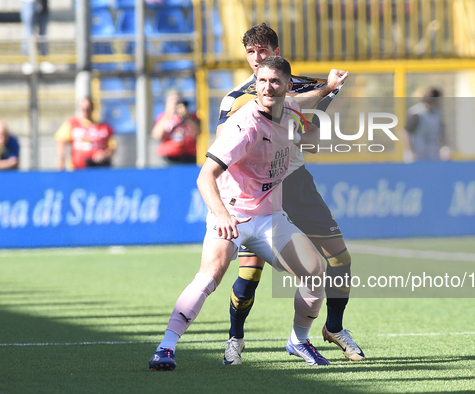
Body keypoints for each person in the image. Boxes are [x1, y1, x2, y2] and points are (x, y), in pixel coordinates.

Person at [149, 57, 330, 370]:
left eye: (275, 82)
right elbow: (205, 176)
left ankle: (298, 341)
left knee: (315, 272)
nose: (267, 87)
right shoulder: (244, 126)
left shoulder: (290, 109)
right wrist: (220, 215)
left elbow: (307, 102)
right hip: (233, 214)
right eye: (261, 81)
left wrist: (330, 87)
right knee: (210, 276)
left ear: (288, 87)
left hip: (269, 218)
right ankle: (166, 347)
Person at [217, 23, 365, 366]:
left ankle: (334, 327)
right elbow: (223, 146)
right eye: (251, 52)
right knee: (249, 275)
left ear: (277, 52)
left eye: (263, 51)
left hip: (296, 182)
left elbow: (310, 134)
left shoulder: (306, 86)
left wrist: (328, 91)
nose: (257, 58)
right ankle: (235, 339)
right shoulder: (236, 98)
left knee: (340, 259)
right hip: (256, 191)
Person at [54, 97, 116, 170]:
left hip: (98, 167)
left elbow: (112, 147)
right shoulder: (73, 123)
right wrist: (61, 159)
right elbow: (61, 140)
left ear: (92, 108)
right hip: (77, 168)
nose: (85, 111)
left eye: (88, 109)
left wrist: (103, 154)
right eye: (83, 109)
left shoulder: (104, 128)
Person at [401, 87, 450, 163]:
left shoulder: (437, 113)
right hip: (418, 155)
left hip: (433, 155)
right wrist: (410, 151)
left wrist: (444, 148)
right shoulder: (418, 112)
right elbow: (406, 132)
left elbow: (441, 131)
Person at [152, 90, 200, 164]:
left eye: (177, 101)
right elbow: (157, 135)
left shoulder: (191, 116)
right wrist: (168, 113)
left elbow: (198, 133)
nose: (175, 104)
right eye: (172, 101)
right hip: (169, 156)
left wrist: (187, 116)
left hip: (190, 155)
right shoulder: (162, 117)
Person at [21, 0, 55, 74]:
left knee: (43, 33)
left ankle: (44, 60)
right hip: (29, 3)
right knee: (29, 33)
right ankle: (28, 61)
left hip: (43, 2)